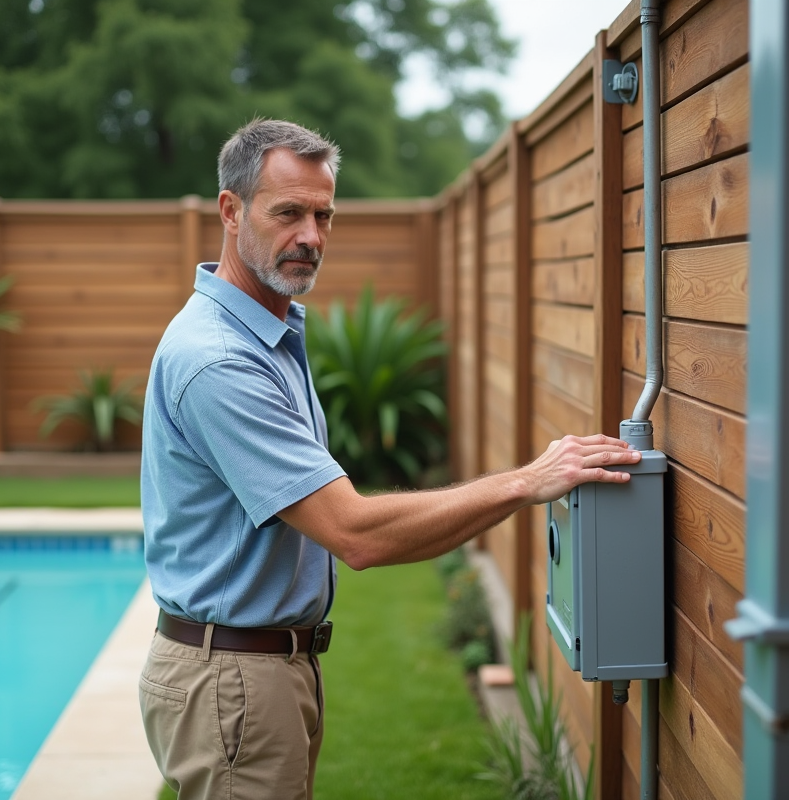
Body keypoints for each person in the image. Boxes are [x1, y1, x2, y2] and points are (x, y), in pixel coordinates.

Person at [138, 118, 640, 800]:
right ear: (231, 211)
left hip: (258, 668)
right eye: (288, 213)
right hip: (233, 680)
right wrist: (528, 481)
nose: (311, 237)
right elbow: (356, 533)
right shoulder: (220, 361)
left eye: (324, 215)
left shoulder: (268, 331)